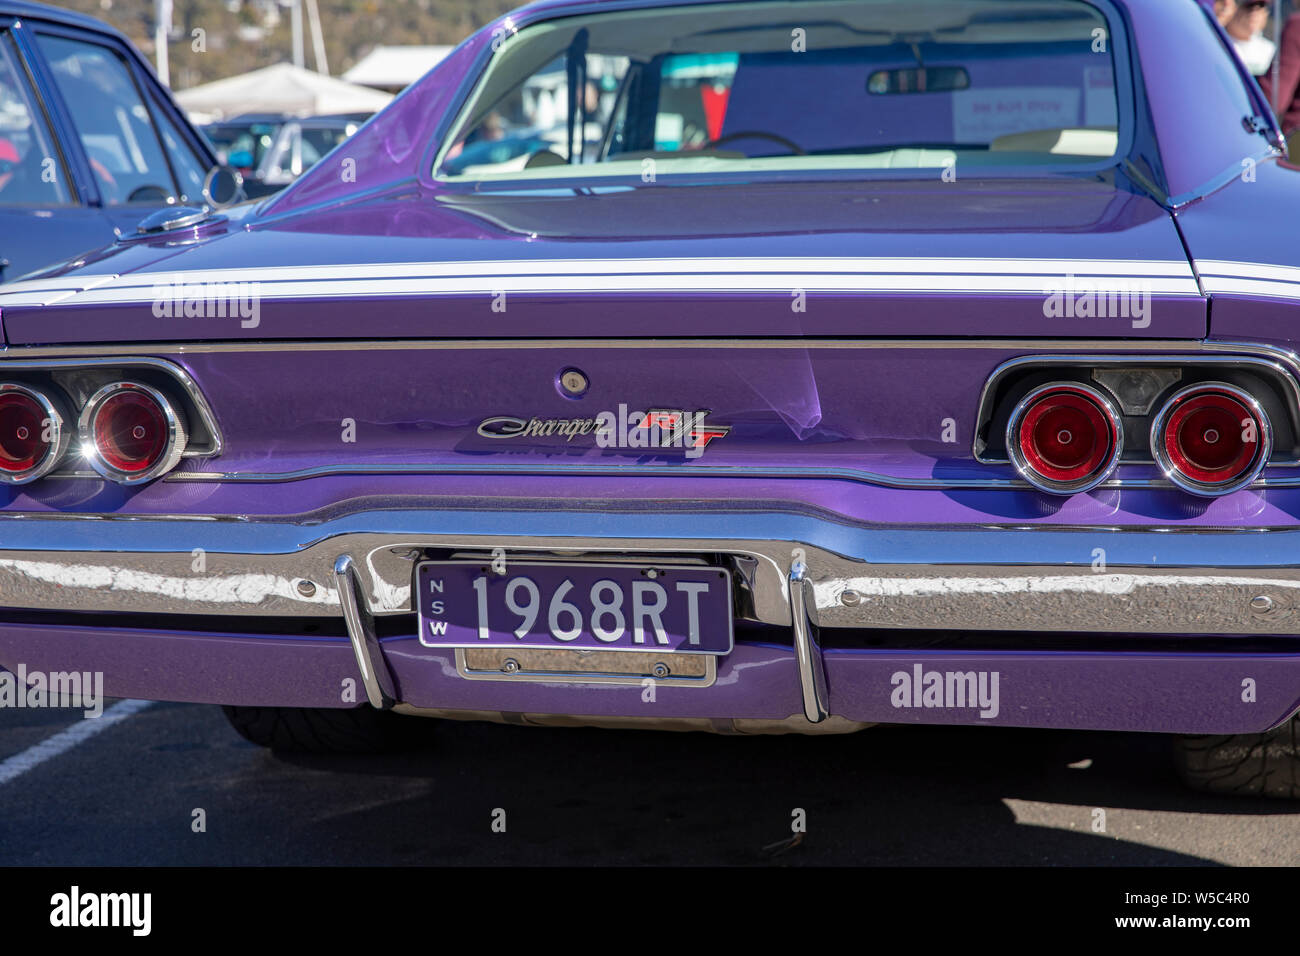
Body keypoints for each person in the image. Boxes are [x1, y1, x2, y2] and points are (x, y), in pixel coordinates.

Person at [1225, 0, 1277, 75]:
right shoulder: (1217, 43)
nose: (1254, 12)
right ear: (1232, 8)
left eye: (1261, 6)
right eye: (1249, 6)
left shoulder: (1271, 51)